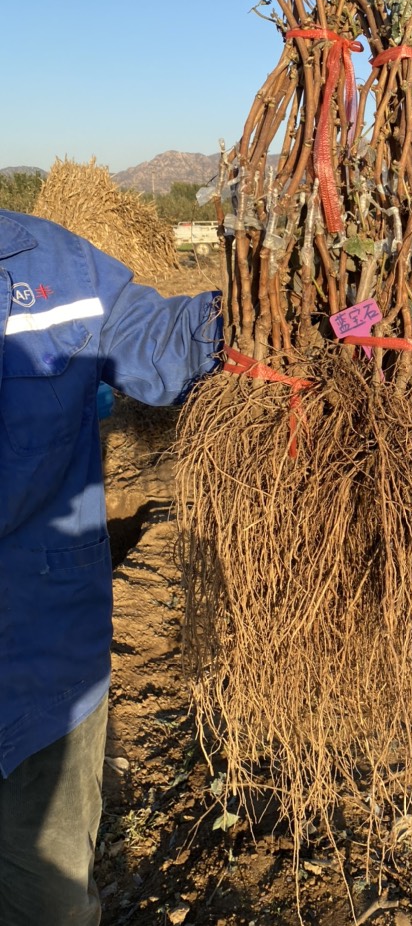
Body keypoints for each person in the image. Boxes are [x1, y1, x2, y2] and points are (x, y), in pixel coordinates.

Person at [0, 208, 222, 925]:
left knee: (50, 900)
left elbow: (158, 340)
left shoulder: (56, 267)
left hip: (43, 673)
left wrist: (268, 313)